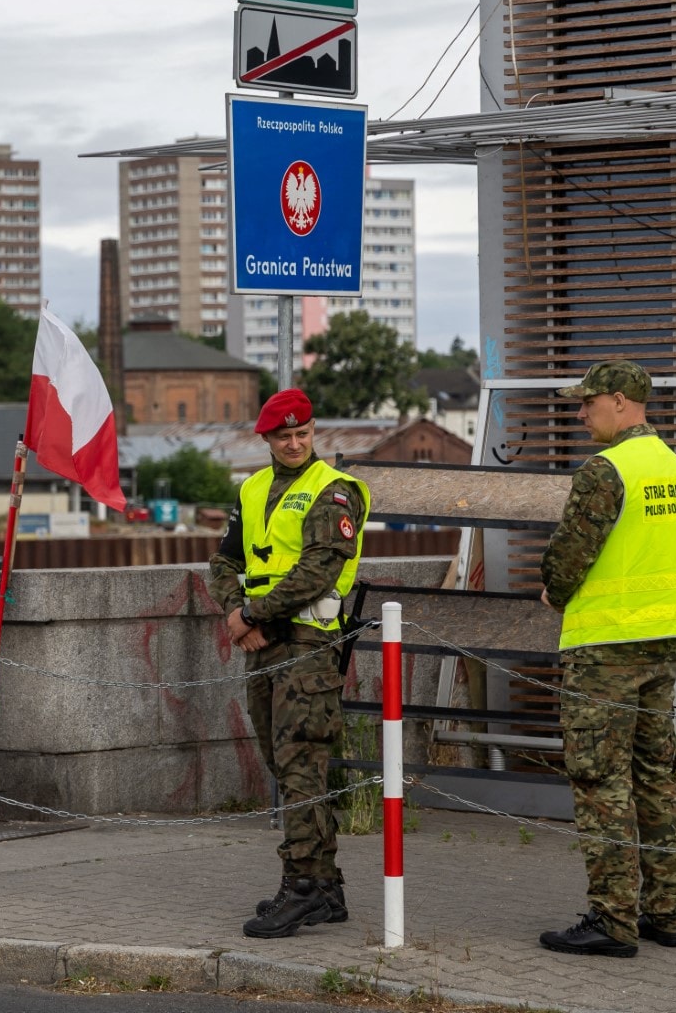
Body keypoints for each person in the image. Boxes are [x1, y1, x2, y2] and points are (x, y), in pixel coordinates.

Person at [536, 360, 676, 958]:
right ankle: (668, 915)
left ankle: (613, 921)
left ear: (623, 402)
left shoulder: (607, 469)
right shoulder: (675, 469)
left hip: (606, 648)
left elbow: (567, 559)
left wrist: (554, 587)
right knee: (656, 779)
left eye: (589, 402)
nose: (582, 413)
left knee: (602, 781)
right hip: (664, 641)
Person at [209, 388, 369, 939]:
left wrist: (252, 615)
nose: (296, 442)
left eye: (304, 434)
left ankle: (301, 888)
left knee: (303, 770)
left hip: (306, 648)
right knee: (284, 767)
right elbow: (224, 559)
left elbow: (317, 572)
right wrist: (236, 611)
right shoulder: (254, 489)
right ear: (268, 438)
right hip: (264, 644)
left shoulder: (334, 491)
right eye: (285, 435)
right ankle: (325, 888)